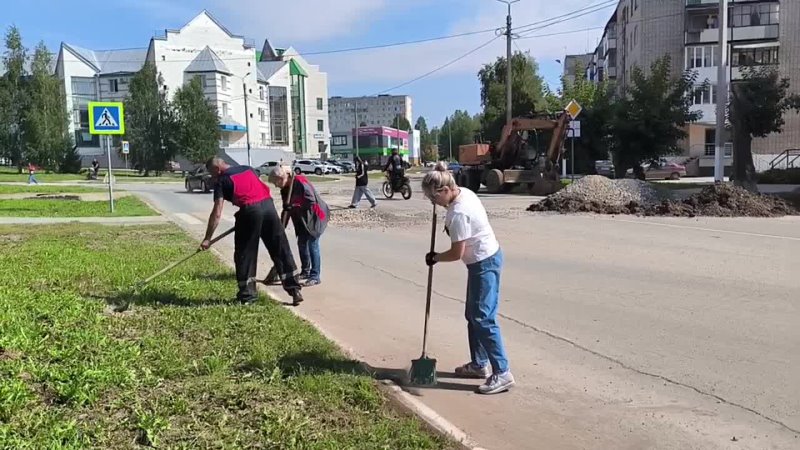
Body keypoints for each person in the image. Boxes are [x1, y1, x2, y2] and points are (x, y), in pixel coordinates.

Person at [421, 161, 514, 395]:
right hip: (482, 261)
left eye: (434, 198)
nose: (435, 203)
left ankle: (502, 373)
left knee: (483, 318)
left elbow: (456, 253)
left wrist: (435, 258)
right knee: (473, 316)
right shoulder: (465, 193)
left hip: (485, 262)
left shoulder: (458, 214)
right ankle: (479, 364)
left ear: (444, 191)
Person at [200, 157, 304, 306]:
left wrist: (207, 238)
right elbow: (258, 187)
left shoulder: (221, 181)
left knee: (245, 254)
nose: (213, 176)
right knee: (280, 249)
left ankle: (248, 296)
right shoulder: (247, 168)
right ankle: (295, 290)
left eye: (212, 173)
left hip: (250, 211)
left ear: (217, 169)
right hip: (268, 207)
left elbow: (217, 212)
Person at [268, 165, 329, 286]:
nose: (275, 185)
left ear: (282, 177)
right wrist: (281, 226)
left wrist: (294, 205)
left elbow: (310, 200)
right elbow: (286, 209)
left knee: (312, 244)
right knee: (301, 243)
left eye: (276, 182)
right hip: (301, 219)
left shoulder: (300, 181)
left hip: (315, 216)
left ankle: (315, 276)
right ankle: (305, 271)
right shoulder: (284, 189)